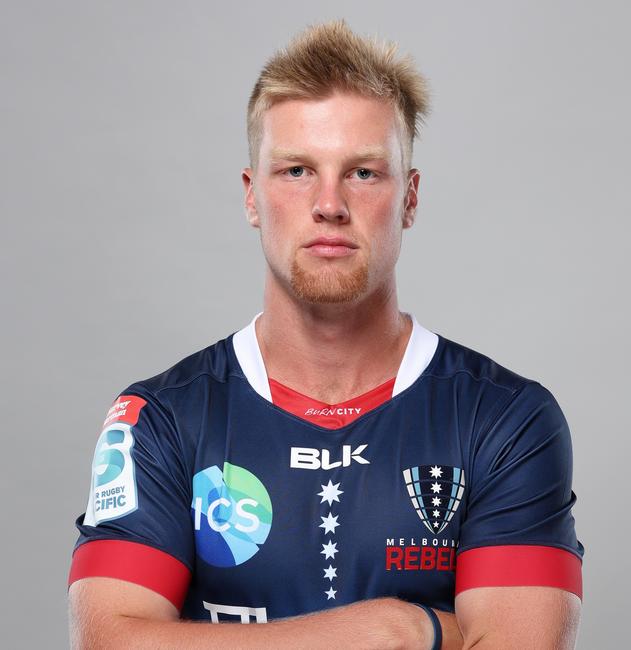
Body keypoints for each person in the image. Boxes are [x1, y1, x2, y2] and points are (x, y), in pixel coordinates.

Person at [68, 20, 583, 649]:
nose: (329, 203)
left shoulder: (506, 418)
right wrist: (396, 629)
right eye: (296, 171)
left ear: (410, 198)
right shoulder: (160, 420)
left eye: (364, 173)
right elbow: (108, 643)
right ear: (252, 195)